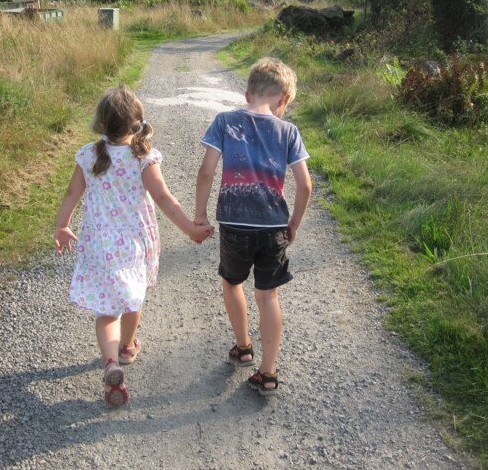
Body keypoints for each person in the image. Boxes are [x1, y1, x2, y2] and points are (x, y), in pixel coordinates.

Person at [54, 85, 214, 407]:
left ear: (101, 124)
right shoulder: (143, 157)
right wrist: (190, 230)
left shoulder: (88, 155)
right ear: (136, 123)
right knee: (132, 295)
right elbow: (164, 199)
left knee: (106, 309)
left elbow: (72, 194)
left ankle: (110, 361)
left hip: (99, 243)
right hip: (133, 243)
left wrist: (62, 226)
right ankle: (127, 347)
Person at [194, 57, 312, 397]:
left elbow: (206, 172)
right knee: (268, 294)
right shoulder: (288, 131)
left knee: (232, 282)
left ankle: (243, 347)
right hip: (273, 224)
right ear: (284, 99)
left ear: (248, 94)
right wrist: (294, 224)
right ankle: (268, 371)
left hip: (233, 222)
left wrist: (200, 216)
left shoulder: (224, 121)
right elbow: (304, 186)